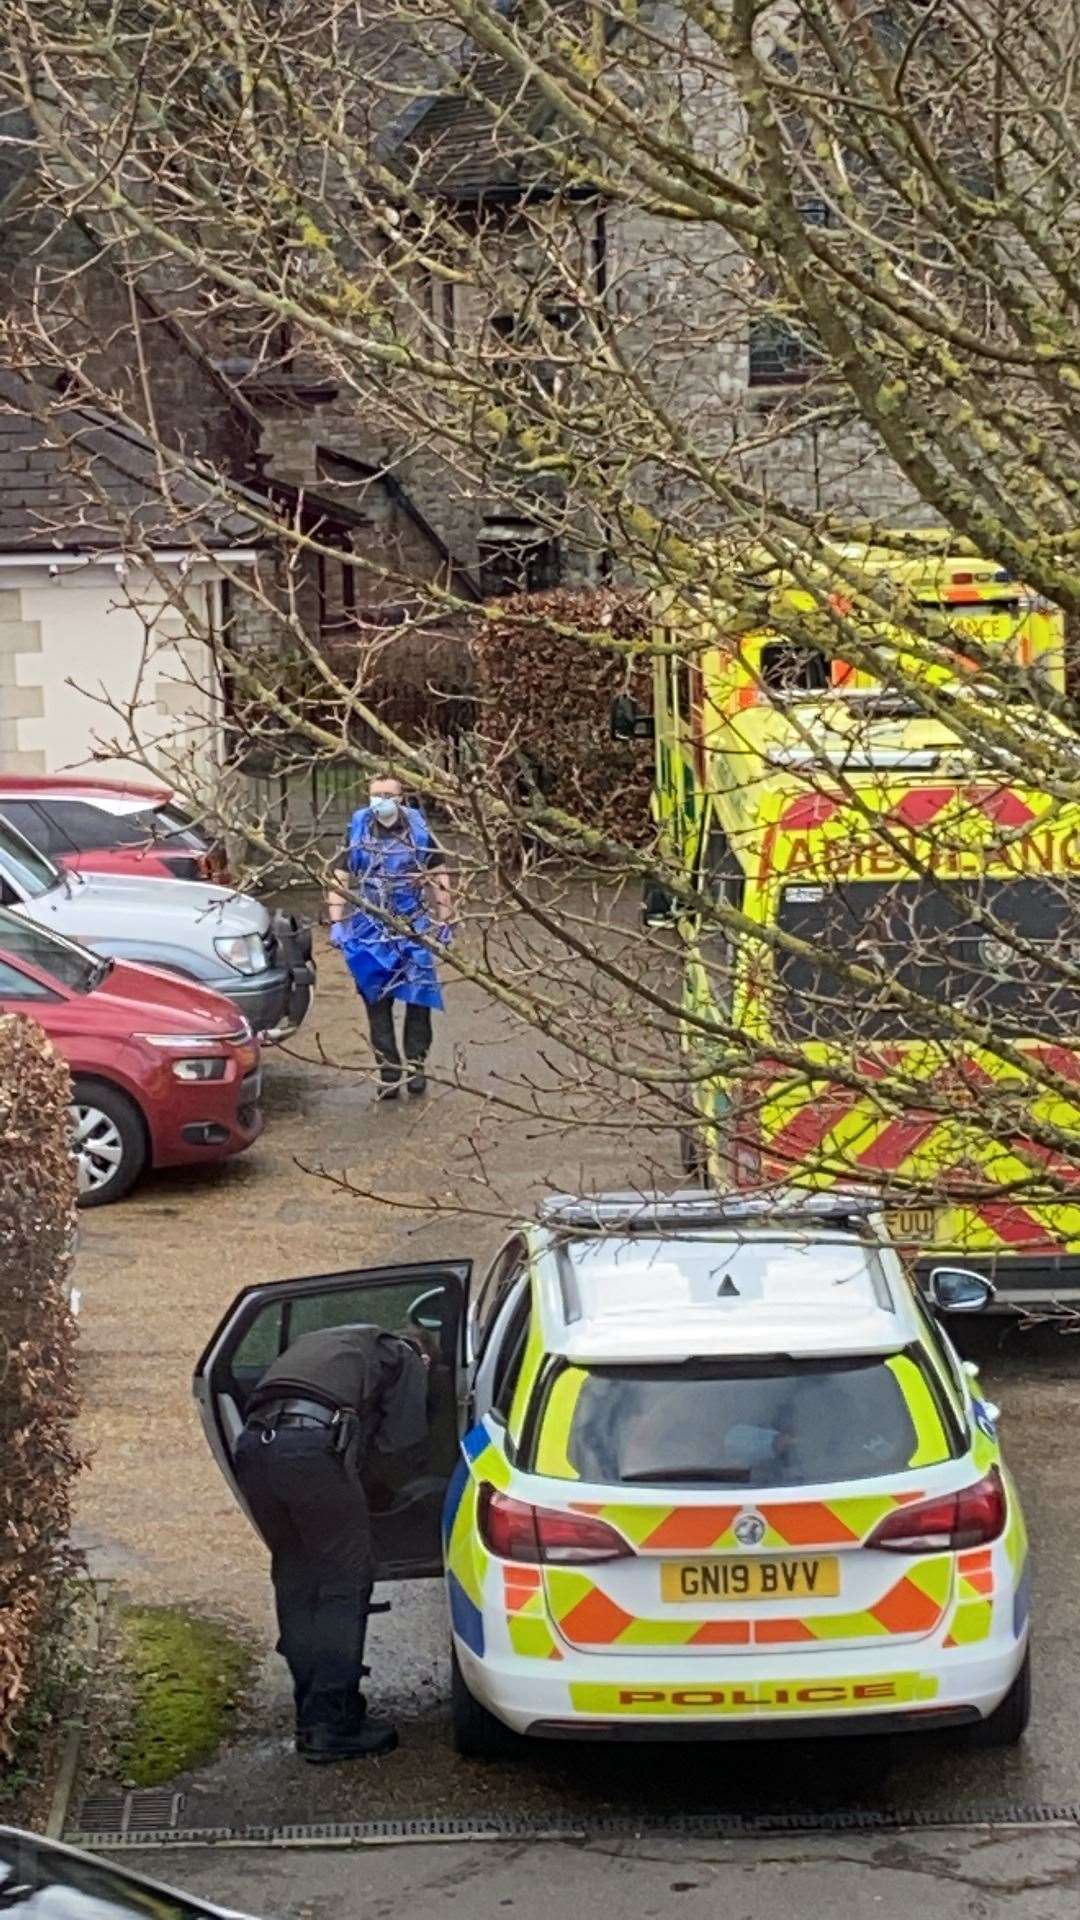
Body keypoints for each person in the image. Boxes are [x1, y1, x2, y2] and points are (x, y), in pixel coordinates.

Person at [234, 1322, 429, 1764]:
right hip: (312, 1450)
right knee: (346, 1581)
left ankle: (309, 1709)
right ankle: (332, 1726)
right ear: (425, 1355)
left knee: (296, 1575)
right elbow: (402, 1442)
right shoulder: (404, 1355)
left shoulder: (324, 1342)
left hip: (255, 1447)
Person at [328, 774, 453, 1100]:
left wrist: (444, 919)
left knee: (419, 997)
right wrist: (336, 921)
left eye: (387, 794)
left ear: (401, 798)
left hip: (411, 923)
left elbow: (439, 874)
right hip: (371, 925)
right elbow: (339, 876)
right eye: (375, 794)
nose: (380, 800)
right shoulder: (357, 829)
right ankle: (388, 1070)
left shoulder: (419, 830)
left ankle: (415, 1066)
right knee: (375, 999)